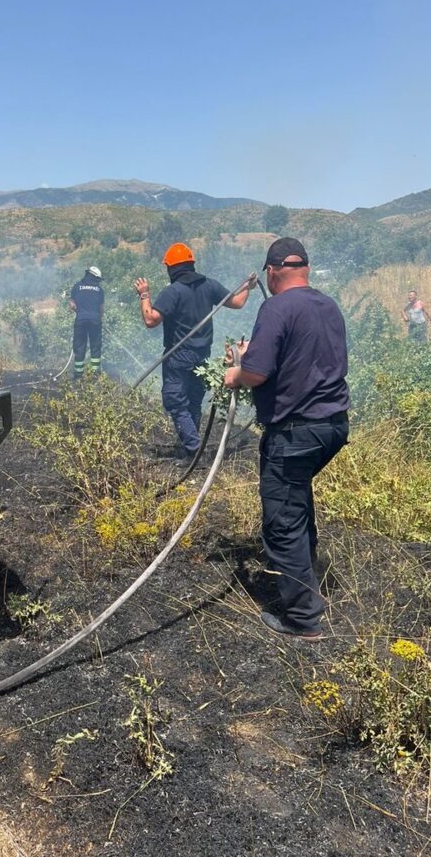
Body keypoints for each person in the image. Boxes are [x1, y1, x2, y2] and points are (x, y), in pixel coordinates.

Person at [223, 237, 349, 642]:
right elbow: (301, 356)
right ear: (305, 269)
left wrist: (235, 372)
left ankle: (302, 619)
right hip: (331, 427)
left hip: (295, 431)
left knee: (282, 521)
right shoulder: (326, 305)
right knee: (297, 501)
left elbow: (257, 374)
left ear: (273, 271)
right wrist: (253, 355)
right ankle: (306, 581)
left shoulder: (275, 306)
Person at [134, 243, 253, 460]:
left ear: (172, 268)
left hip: (178, 356)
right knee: (193, 401)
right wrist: (247, 287)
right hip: (202, 356)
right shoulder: (209, 285)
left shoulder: (173, 291)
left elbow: (151, 319)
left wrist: (144, 295)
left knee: (176, 402)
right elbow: (237, 302)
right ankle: (191, 449)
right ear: (191, 264)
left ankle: (193, 449)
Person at [70, 266, 104, 378]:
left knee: (79, 346)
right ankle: (95, 373)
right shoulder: (100, 290)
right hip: (95, 321)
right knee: (95, 346)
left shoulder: (76, 287)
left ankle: (78, 375)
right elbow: (101, 309)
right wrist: (98, 318)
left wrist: (81, 312)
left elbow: (72, 305)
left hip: (81, 320)